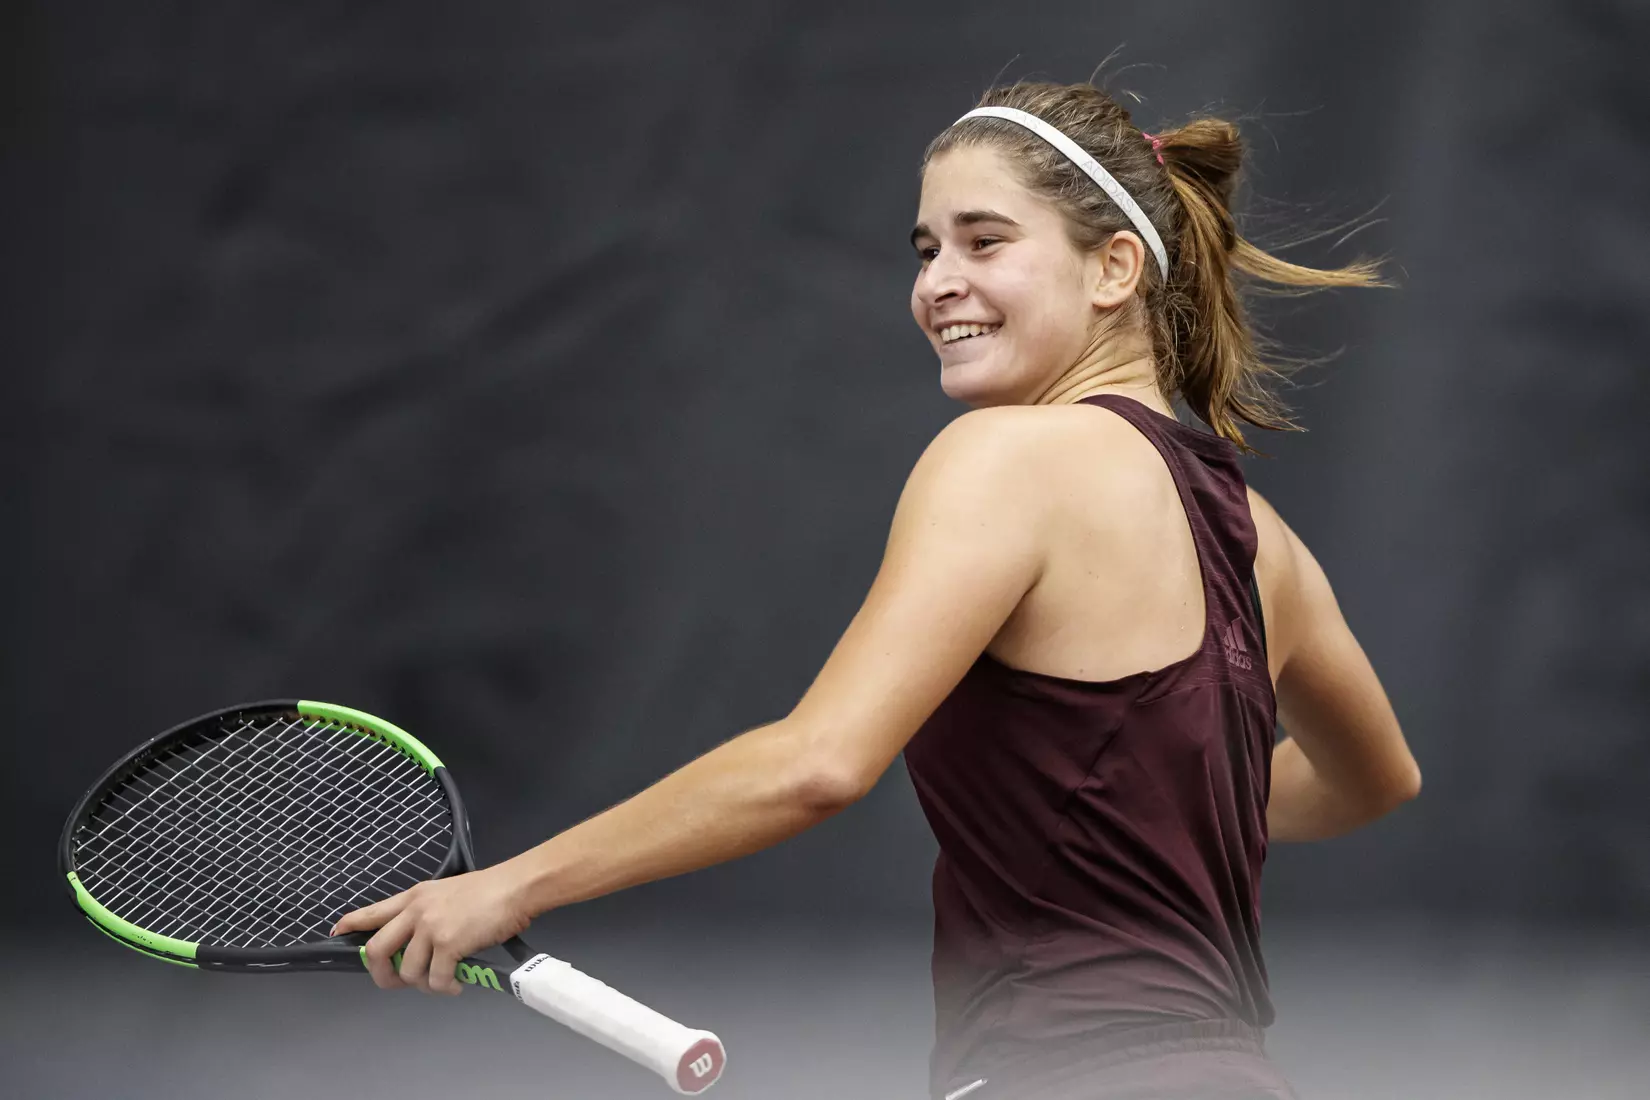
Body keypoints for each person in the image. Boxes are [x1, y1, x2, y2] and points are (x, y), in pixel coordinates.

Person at [334, 80, 1422, 1100]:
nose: (936, 280)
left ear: (1114, 271)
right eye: (925, 247)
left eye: (984, 240)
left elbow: (816, 764)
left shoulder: (1004, 457)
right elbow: (1378, 777)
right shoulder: (1263, 542)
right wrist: (1147, 813)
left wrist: (510, 885)